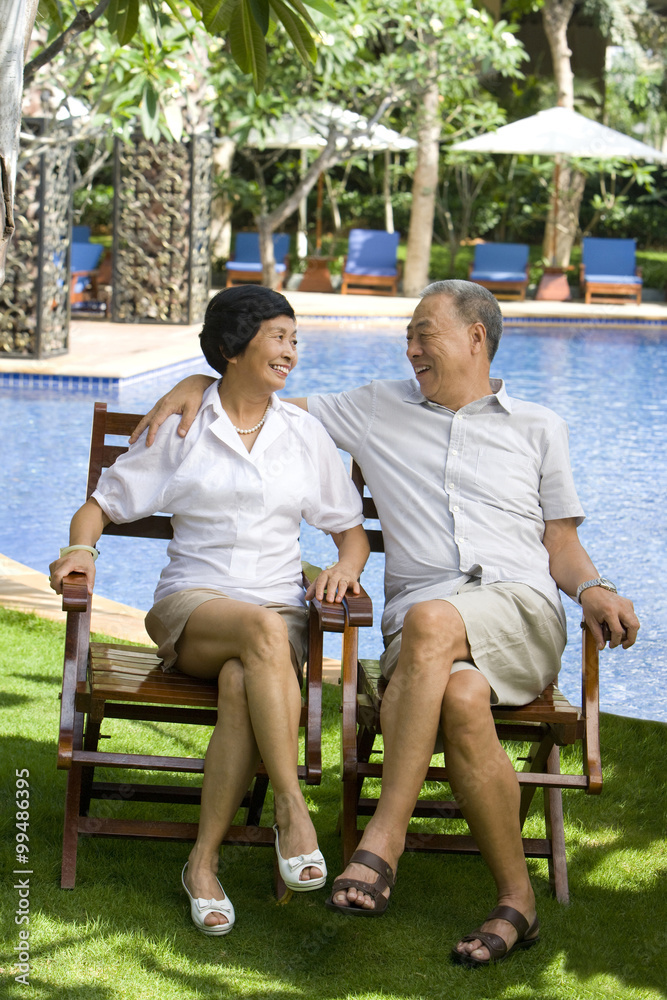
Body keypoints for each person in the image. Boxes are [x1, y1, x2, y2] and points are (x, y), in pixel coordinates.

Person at [128, 279, 639, 965]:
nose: (410, 347)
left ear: (475, 338)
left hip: (517, 612)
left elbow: (560, 544)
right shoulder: (374, 408)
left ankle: (382, 840)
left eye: (424, 332)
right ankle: (518, 901)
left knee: (431, 621)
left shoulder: (538, 427)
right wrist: (199, 376)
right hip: (423, 631)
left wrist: (593, 587)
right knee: (456, 690)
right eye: (408, 336)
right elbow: (255, 400)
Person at [49, 285, 369, 938]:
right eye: (278, 337)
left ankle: (201, 863)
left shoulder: (302, 433)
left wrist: (346, 567)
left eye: (294, 339)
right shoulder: (183, 426)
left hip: (277, 618)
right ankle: (290, 807)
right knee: (256, 632)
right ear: (232, 347)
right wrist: (80, 550)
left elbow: (350, 531)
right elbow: (101, 504)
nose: (291, 351)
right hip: (192, 611)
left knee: (241, 678)